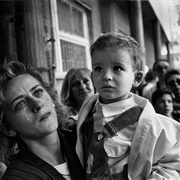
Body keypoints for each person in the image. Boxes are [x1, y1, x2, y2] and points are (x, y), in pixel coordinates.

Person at [76, 32, 180, 180]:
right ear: (92, 77)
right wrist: (73, 122)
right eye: (98, 68)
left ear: (137, 78)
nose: (106, 76)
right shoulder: (87, 110)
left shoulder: (156, 126)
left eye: (117, 68)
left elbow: (172, 165)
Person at [0, 61, 85, 180]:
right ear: (8, 128)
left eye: (38, 92)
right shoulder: (19, 177)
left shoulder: (82, 140)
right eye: (20, 104)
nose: (37, 104)